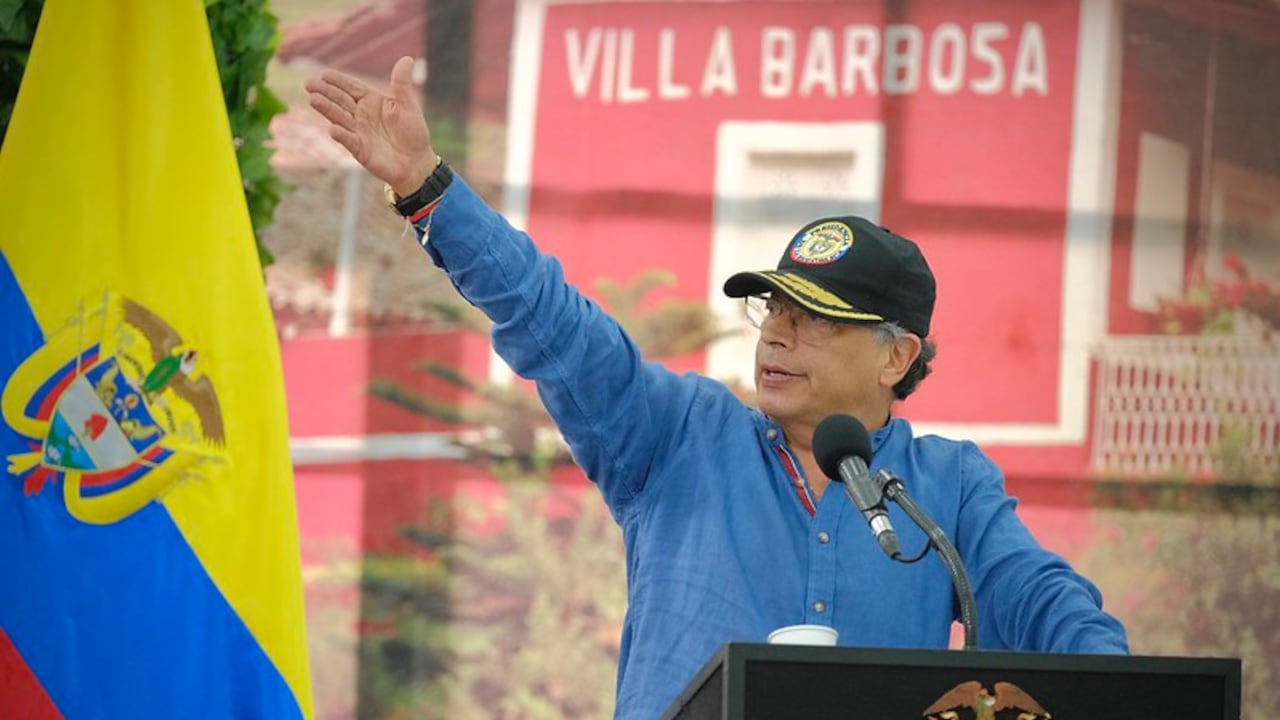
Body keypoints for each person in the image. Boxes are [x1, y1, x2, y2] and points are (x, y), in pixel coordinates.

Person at [306, 57, 1128, 719]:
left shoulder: (948, 487)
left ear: (895, 357)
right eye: (774, 310)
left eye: (816, 320)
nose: (776, 335)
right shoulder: (679, 435)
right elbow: (554, 320)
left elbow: (1045, 605)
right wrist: (428, 189)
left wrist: (1128, 691)